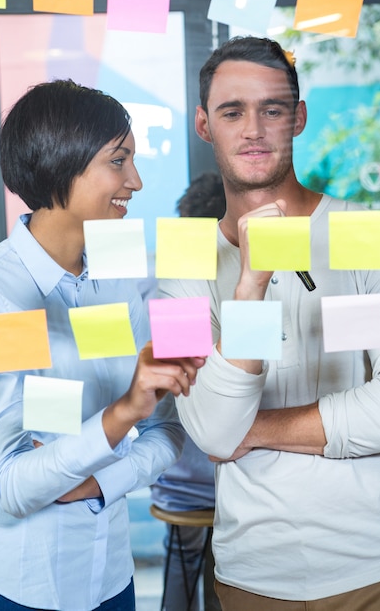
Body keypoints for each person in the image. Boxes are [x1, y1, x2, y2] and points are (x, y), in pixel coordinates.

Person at [158, 35, 380, 611]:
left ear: (299, 119)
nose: (254, 128)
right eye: (233, 111)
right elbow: (211, 432)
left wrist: (256, 429)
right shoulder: (181, 260)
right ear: (204, 124)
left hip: (374, 563)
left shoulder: (364, 232)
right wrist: (251, 284)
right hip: (251, 574)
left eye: (273, 109)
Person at [0, 79, 205, 611]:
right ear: (61, 164)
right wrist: (122, 415)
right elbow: (11, 485)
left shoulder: (126, 275)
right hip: (21, 586)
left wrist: (99, 482)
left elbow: (167, 433)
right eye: (119, 161)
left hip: (111, 580)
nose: (137, 181)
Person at [151, 172, 225, 611]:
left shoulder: (172, 299)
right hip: (232, 484)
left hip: (176, 484)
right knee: (227, 560)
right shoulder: (249, 298)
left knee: (182, 556)